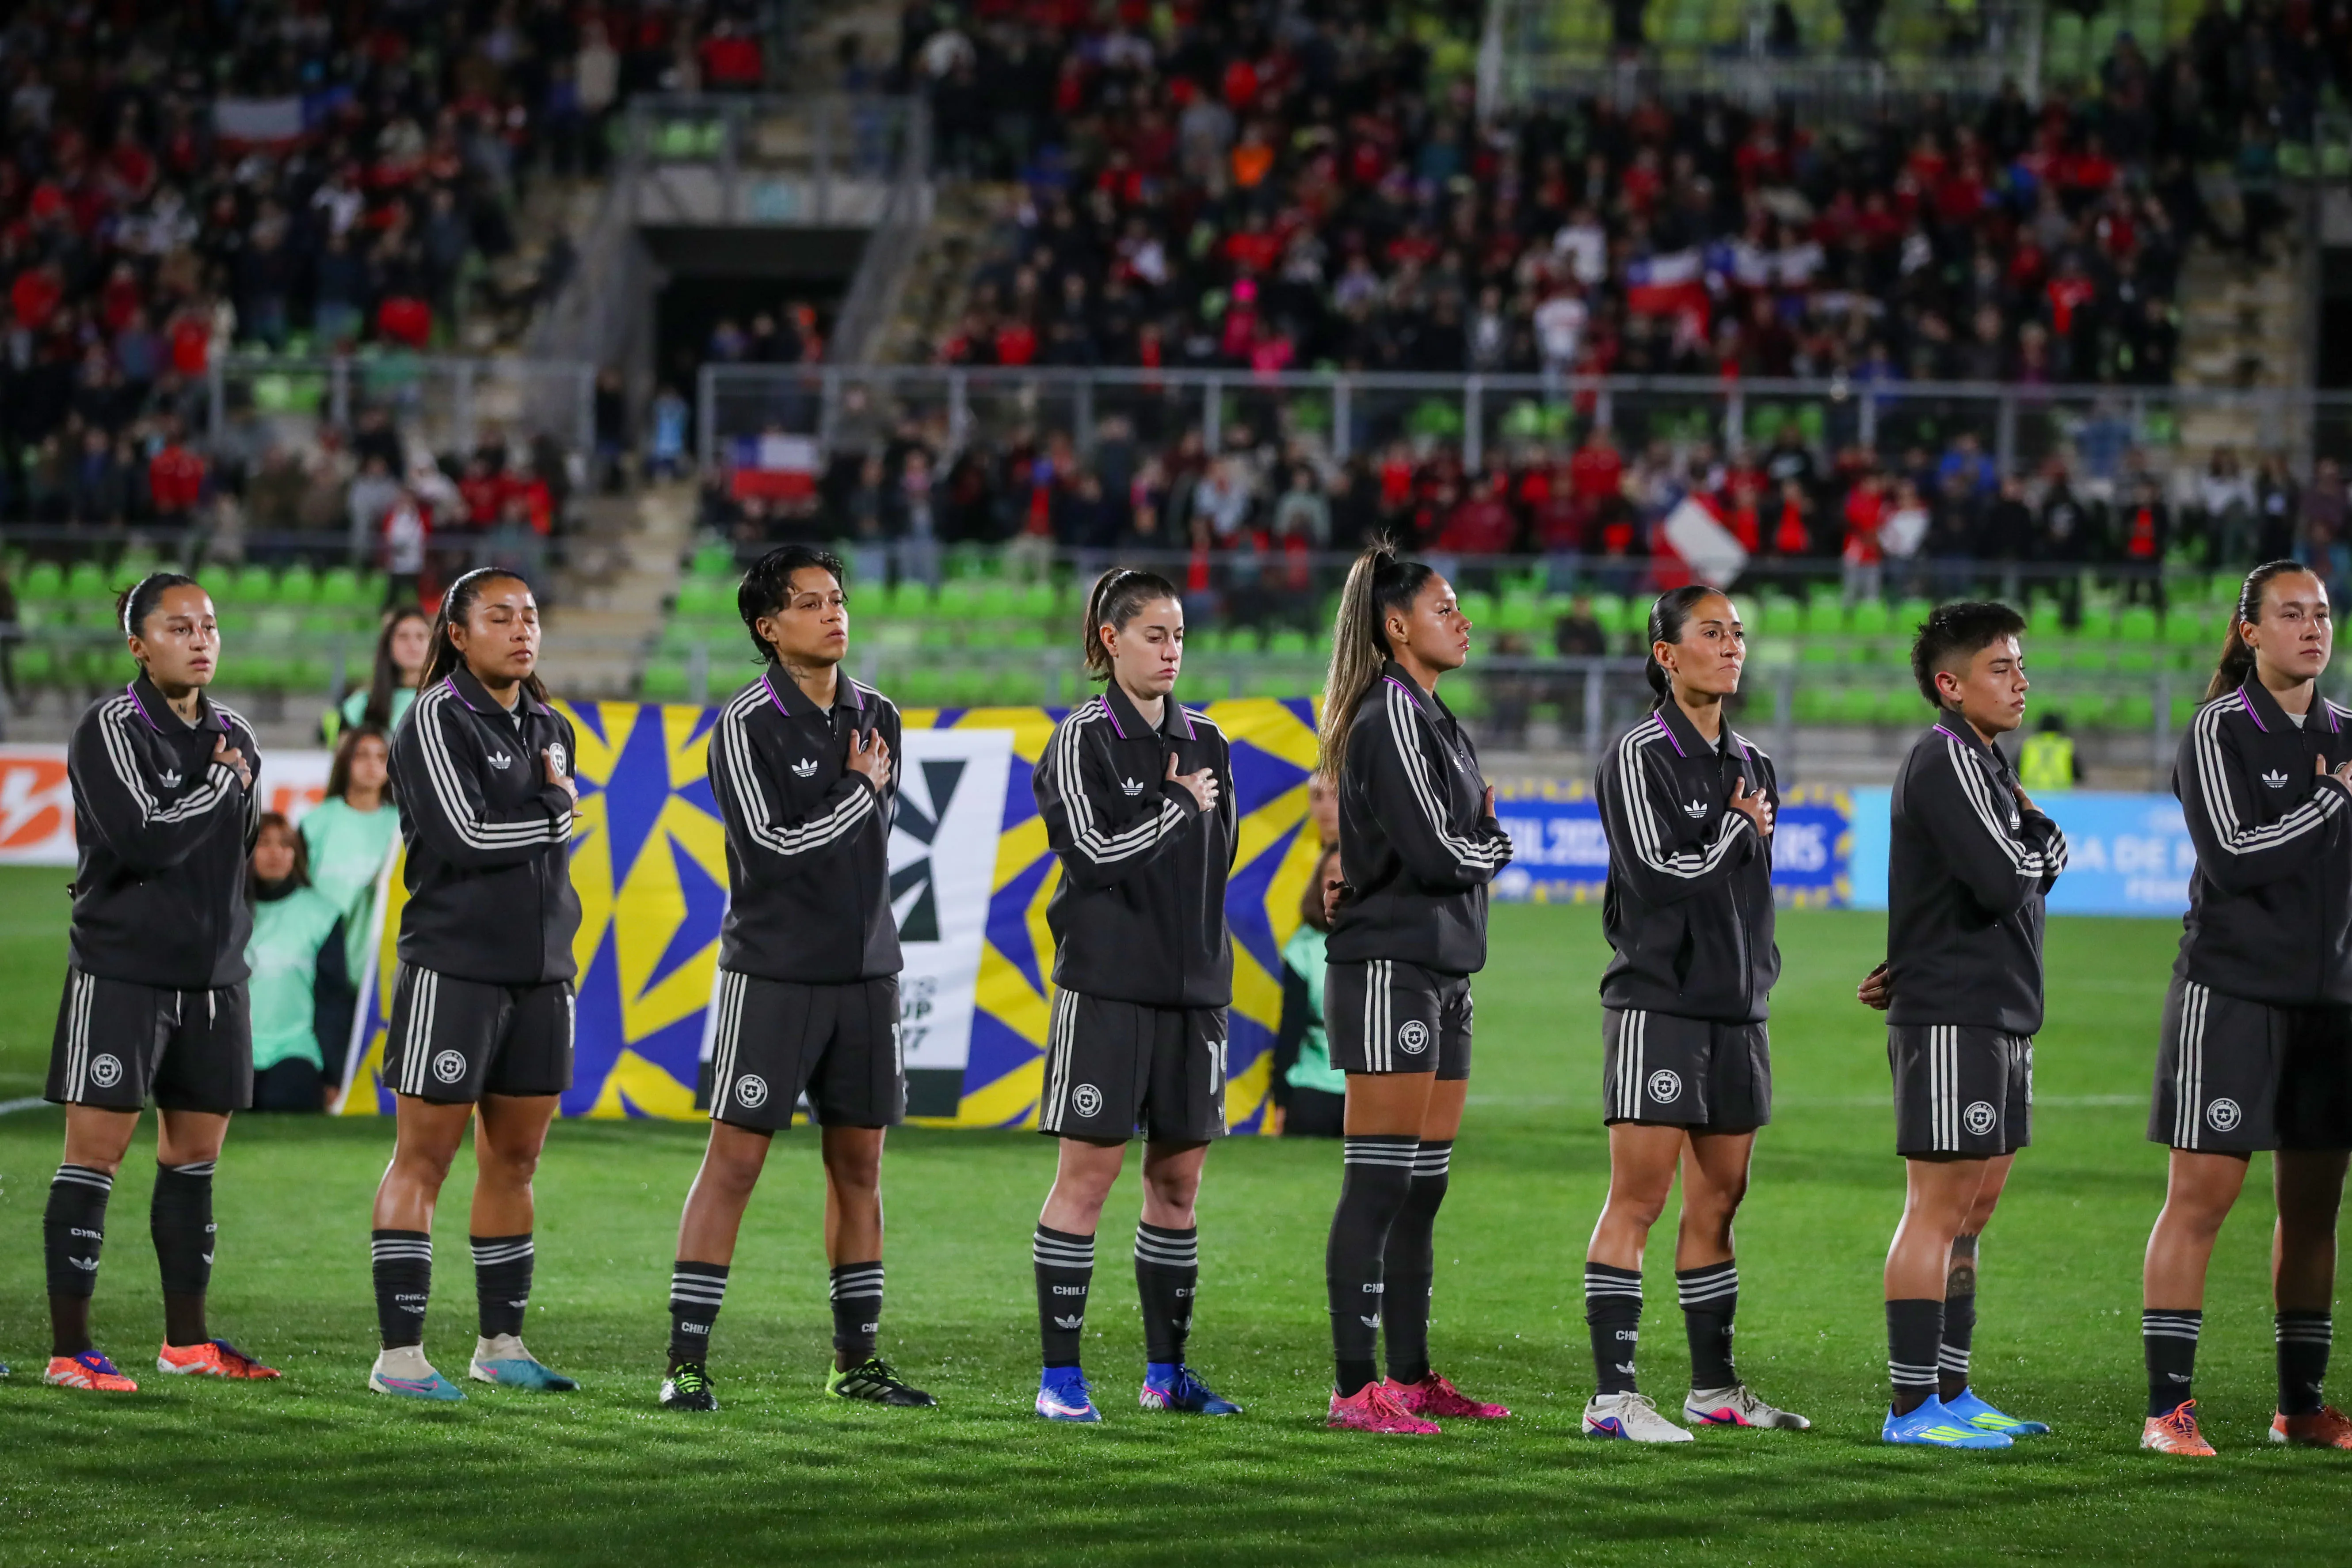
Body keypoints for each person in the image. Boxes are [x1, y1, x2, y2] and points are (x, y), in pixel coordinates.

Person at [659, 545, 935, 1414]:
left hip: (865, 975)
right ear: (767, 628)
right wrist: (854, 792)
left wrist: (855, 798)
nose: (833, 613)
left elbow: (868, 848)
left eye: (838, 598)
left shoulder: (878, 715)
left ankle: (855, 1362)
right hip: (771, 975)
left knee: (860, 1166)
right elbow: (772, 852)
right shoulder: (742, 724)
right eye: (811, 603)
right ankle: (685, 1364)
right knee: (733, 1163)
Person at [41, 571, 279, 1390]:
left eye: (209, 625)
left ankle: (188, 1343)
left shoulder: (238, 731)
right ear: (139, 644)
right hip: (122, 975)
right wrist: (216, 783)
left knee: (194, 1161)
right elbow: (143, 839)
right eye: (180, 628)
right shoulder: (107, 728)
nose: (201, 639)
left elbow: (234, 853)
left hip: (214, 982)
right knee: (94, 1158)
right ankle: (71, 1350)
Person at [1583, 586, 1807, 1441]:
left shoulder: (1753, 760)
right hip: (1658, 1007)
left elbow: (1751, 891)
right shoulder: (1637, 755)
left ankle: (1713, 1389)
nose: (1731, 648)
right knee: (1637, 1199)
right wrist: (1731, 830)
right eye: (1711, 634)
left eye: (1738, 634)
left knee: (1720, 1201)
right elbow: (1657, 872)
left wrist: (1758, 978)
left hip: (1736, 1014)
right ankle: (1612, 1398)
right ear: (1667, 655)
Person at [2139, 561, 2352, 1454]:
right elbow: (2231, 855)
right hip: (2228, 993)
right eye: (2289, 614)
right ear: (2250, 633)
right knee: (2200, 1199)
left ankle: (2297, 1406)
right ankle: (2166, 1412)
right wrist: (2331, 798)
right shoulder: (2216, 731)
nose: (2311, 628)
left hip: (2332, 1002)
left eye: (2321, 614)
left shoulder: (2346, 733)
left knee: (2312, 1208)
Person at [1025, 568, 1243, 1423]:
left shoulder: (1210, 741)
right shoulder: (1080, 738)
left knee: (1179, 1185)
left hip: (1195, 996)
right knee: (1088, 1177)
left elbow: (1214, 863)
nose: (1171, 650)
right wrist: (1173, 806)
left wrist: (1180, 812)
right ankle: (1061, 1377)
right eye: (1154, 634)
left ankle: (1166, 1373)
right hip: (1106, 991)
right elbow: (1091, 856)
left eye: (1179, 635)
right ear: (1110, 641)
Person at [1856, 601, 2066, 1449]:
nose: (2020, 681)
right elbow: (2005, 877)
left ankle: (1952, 1388)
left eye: (2020, 666)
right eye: (1999, 668)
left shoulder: (1983, 761)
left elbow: (2023, 862)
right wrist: (2043, 841)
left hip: (1998, 1012)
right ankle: (1911, 1409)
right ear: (1950, 685)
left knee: (1972, 1213)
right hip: (1955, 1014)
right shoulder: (1944, 759)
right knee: (1936, 1210)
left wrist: (2037, 845)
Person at [368, 568, 581, 1402]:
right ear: (457, 634)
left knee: (517, 1161)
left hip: (539, 976)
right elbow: (465, 835)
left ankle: (499, 1344)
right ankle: (399, 1356)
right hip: (451, 972)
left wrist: (548, 806)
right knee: (424, 1159)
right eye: (500, 617)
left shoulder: (548, 721)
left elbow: (522, 840)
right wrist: (558, 809)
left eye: (530, 615)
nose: (523, 629)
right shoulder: (432, 718)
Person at [1317, 544, 1515, 1435]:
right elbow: (1444, 850)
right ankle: (1355, 1388)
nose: (1461, 619)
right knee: (1377, 1183)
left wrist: (1475, 837)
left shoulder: (1433, 717)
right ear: (1397, 625)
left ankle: (1408, 1373)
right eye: (1445, 606)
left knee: (1421, 1186)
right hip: (1388, 970)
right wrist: (1493, 847)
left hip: (1440, 973)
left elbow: (1455, 834)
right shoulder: (1387, 716)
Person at [245, 813, 352, 1112]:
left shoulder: (322, 915)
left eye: (285, 844)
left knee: (284, 1101)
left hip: (296, 1048)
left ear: (297, 854)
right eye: (264, 843)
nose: (276, 853)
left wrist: (334, 1072)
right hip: (235, 1050)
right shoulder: (225, 915)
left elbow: (333, 999)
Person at [301, 724, 402, 983]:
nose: (372, 764)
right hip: (322, 957)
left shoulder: (403, 827)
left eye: (381, 757)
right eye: (362, 755)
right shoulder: (315, 823)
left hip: (385, 959)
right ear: (345, 761)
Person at [1274, 846, 1347, 1138]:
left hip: (1375, 1086)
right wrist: (1280, 1101)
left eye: (1347, 872)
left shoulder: (1390, 943)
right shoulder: (1302, 948)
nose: (1339, 881)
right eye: (1331, 873)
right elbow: (1289, 1030)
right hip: (1314, 1085)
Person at [323, 606, 430, 746]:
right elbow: (345, 761)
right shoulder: (360, 706)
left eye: (421, 637)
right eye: (403, 637)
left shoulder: (451, 701)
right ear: (388, 645)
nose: (413, 645)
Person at [2017, 712, 2083, 794]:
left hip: (2031, 795)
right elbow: (2079, 774)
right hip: (2061, 796)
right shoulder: (2066, 745)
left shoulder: (2029, 744)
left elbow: (2015, 769)